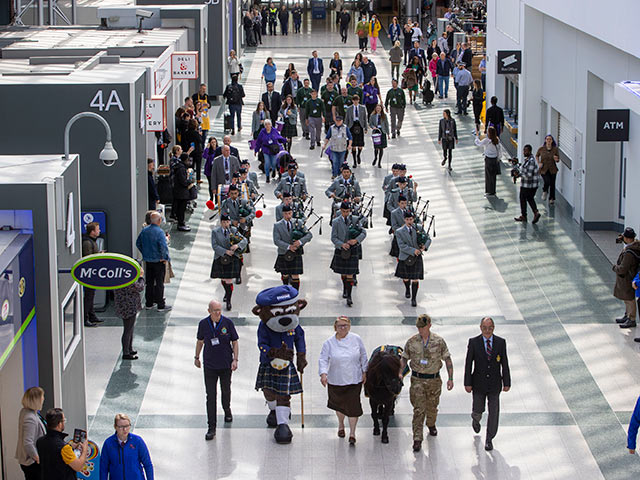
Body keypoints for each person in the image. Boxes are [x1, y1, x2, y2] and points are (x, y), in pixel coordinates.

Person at [400, 314, 454, 452]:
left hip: (434, 380)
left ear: (429, 325)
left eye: (423, 328)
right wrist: (400, 372)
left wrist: (450, 378)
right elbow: (404, 358)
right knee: (419, 410)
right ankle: (417, 438)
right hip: (417, 380)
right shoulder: (412, 342)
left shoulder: (438, 341)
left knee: (432, 407)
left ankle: (431, 423)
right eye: (419, 328)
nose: (421, 330)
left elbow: (447, 359)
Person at [318, 316, 368, 445]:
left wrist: (364, 371)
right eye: (340, 326)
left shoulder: (356, 339)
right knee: (339, 405)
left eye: (345, 325)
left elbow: (363, 355)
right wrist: (323, 374)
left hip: (354, 379)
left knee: (353, 407)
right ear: (335, 328)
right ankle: (341, 425)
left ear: (349, 326)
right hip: (336, 379)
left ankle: (352, 433)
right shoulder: (329, 343)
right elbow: (323, 359)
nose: (343, 328)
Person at [464, 317, 511, 451]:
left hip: (495, 384)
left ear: (493, 328)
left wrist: (506, 382)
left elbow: (504, 363)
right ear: (480, 328)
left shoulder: (500, 343)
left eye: (490, 328)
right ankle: (476, 418)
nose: (487, 331)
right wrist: (467, 382)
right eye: (485, 328)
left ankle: (489, 438)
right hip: (478, 383)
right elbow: (468, 364)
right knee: (478, 408)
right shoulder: (474, 342)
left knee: (494, 412)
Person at [194, 300, 239, 440]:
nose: (218, 313)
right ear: (209, 311)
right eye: (215, 310)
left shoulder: (228, 323)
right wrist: (196, 357)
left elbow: (235, 341)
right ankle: (211, 427)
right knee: (210, 395)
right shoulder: (203, 324)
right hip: (210, 365)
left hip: (225, 364)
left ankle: (227, 409)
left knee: (226, 390)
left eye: (219, 310)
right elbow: (200, 341)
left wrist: (235, 359)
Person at [330, 201, 366, 306]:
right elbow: (333, 237)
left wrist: (356, 240)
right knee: (344, 273)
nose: (346, 213)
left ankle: (349, 296)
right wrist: (341, 244)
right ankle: (345, 289)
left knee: (350, 274)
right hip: (341, 250)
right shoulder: (336, 222)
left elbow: (363, 232)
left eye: (347, 211)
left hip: (352, 250)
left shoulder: (355, 220)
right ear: (340, 211)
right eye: (344, 211)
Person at [36, 408, 88, 480]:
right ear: (59, 424)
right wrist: (84, 450)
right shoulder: (64, 448)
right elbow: (78, 466)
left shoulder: (40, 441)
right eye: (64, 420)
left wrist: (71, 446)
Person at [210, 214, 247, 310]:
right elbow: (214, 245)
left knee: (229, 280)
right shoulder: (215, 232)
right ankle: (227, 293)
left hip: (232, 259)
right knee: (223, 279)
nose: (226, 224)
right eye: (224, 222)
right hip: (221, 258)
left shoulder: (233, 230)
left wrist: (237, 246)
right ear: (221, 222)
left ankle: (229, 301)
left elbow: (244, 240)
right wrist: (225, 251)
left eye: (227, 222)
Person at [100, 413, 154, 479]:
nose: (125, 429)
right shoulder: (108, 443)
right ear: (115, 427)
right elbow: (103, 468)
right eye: (121, 427)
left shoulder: (137, 441)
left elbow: (147, 464)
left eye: (127, 426)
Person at [136, 212, 171, 312]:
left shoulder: (144, 231)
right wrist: (165, 258)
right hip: (158, 261)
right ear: (159, 221)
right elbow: (163, 247)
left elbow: (138, 243)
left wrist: (144, 253)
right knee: (159, 283)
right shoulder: (159, 232)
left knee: (149, 282)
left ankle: (149, 303)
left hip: (148, 261)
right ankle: (160, 304)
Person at [273, 204, 313, 290]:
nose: (288, 216)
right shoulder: (277, 225)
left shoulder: (299, 222)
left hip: (296, 253)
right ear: (283, 214)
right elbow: (276, 240)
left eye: (290, 213)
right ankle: (286, 288)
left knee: (295, 275)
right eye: (286, 213)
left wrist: (300, 241)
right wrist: (288, 247)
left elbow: (309, 235)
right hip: (284, 252)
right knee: (285, 274)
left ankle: (295, 293)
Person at [395, 212, 430, 306]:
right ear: (404, 220)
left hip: (417, 257)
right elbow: (401, 246)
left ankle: (414, 298)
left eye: (411, 219)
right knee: (406, 278)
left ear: (413, 219)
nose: (409, 221)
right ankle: (407, 288)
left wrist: (424, 247)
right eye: (407, 219)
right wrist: (413, 250)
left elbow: (428, 239)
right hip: (406, 256)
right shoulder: (399, 231)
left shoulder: (418, 228)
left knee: (415, 278)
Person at [15, 387, 46, 480]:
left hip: (30, 460)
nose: (43, 399)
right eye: (42, 397)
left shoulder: (26, 412)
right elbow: (28, 442)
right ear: (36, 400)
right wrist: (37, 458)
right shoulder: (30, 418)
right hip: (31, 462)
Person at [113, 271, 145, 360]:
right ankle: (126, 352)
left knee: (130, 328)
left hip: (123, 305)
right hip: (130, 306)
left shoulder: (117, 279)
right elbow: (139, 287)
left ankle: (129, 349)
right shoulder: (128, 280)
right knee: (128, 330)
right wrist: (141, 278)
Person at [613, 227, 640, 328]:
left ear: (628, 239)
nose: (622, 238)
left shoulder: (629, 252)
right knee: (626, 298)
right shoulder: (633, 246)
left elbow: (623, 268)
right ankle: (627, 315)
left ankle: (631, 319)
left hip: (628, 277)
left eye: (624, 237)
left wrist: (615, 268)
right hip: (628, 277)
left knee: (629, 299)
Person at [82, 222, 103, 327]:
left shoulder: (91, 242)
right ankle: (85, 318)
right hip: (89, 273)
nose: (99, 231)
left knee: (91, 295)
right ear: (92, 231)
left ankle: (92, 315)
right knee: (88, 296)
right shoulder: (87, 243)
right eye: (97, 229)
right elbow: (88, 258)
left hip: (92, 272)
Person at [514, 145, 542, 224]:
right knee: (529, 198)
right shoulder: (528, 160)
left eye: (525, 151)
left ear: (529, 151)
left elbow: (529, 175)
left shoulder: (531, 161)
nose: (524, 152)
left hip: (529, 185)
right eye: (524, 150)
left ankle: (524, 216)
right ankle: (536, 213)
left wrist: (519, 175)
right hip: (528, 184)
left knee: (523, 198)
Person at [170, 150, 196, 231]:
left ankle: (181, 222)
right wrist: (190, 181)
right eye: (188, 160)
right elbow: (183, 181)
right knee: (181, 209)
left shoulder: (180, 167)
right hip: (181, 193)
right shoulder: (181, 169)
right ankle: (180, 224)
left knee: (180, 208)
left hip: (180, 192)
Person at [475, 126, 502, 197]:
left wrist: (477, 137)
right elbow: (499, 150)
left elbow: (478, 143)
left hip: (488, 159)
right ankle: (493, 191)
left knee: (488, 175)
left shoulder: (487, 140)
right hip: (495, 159)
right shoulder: (497, 140)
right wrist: (498, 158)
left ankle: (489, 191)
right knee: (493, 176)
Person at [536, 135, 560, 205]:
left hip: (552, 169)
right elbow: (537, 155)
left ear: (552, 141)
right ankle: (545, 190)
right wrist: (539, 163)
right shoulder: (541, 149)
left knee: (552, 183)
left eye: (550, 139)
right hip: (544, 168)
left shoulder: (555, 149)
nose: (549, 141)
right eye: (547, 139)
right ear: (545, 140)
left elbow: (558, 159)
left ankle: (551, 198)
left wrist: (556, 159)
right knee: (547, 181)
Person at [345, 94, 368, 167]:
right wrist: (346, 129)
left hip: (360, 125)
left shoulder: (362, 108)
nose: (355, 102)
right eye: (354, 100)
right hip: (352, 125)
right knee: (353, 145)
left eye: (357, 100)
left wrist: (366, 127)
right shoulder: (349, 108)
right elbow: (347, 119)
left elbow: (365, 118)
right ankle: (354, 160)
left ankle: (359, 155)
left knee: (360, 145)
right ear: (352, 101)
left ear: (358, 100)